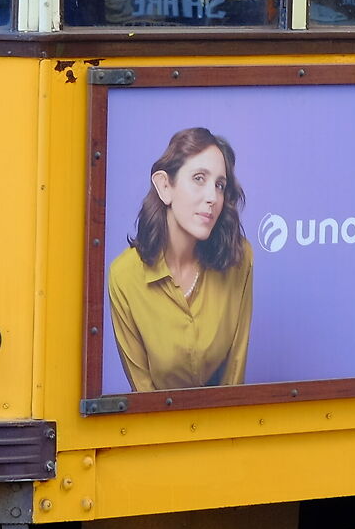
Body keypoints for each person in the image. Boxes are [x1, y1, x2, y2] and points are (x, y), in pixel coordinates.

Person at [107, 127, 254, 393]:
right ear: (165, 186)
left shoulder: (239, 259)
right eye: (199, 178)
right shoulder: (124, 276)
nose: (212, 197)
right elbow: (143, 390)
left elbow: (234, 376)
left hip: (223, 426)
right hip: (158, 430)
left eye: (220, 185)